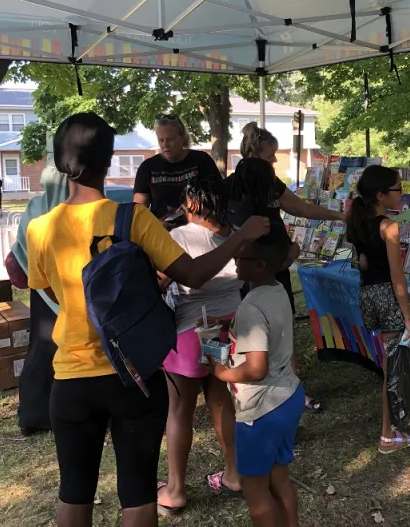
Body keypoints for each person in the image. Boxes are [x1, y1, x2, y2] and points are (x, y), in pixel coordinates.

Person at [26, 112, 269, 527]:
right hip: (134, 376)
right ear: (108, 159)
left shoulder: (38, 229)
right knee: (138, 494)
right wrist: (240, 236)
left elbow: (54, 294)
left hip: (70, 379)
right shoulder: (134, 220)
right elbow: (192, 274)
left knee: (74, 493)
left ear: (59, 161)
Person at [231, 121, 345, 413]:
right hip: (268, 269)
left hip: (259, 269)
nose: (274, 162)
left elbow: (300, 209)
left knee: (258, 330)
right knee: (277, 329)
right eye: (271, 157)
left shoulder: (236, 183)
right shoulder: (259, 184)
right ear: (257, 154)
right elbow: (302, 209)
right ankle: (286, 390)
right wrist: (339, 217)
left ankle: (277, 387)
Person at [157, 174, 243, 514]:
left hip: (190, 333)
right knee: (222, 402)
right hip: (230, 330)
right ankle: (234, 474)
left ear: (192, 203)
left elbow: (161, 283)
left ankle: (176, 490)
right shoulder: (236, 237)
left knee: (180, 410)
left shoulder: (177, 236)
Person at [209, 223, 304, 527]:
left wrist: (222, 372)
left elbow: (255, 368)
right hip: (288, 396)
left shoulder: (251, 307)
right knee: (279, 478)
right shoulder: (276, 291)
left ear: (259, 265)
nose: (235, 259)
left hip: (261, 410)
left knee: (255, 490)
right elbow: (268, 329)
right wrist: (229, 324)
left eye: (241, 257)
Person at [346, 165, 410, 454]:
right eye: (398, 189)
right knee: (392, 368)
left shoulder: (359, 221)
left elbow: (362, 263)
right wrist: (409, 319)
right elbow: (398, 278)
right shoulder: (389, 227)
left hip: (368, 295)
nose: (402, 194)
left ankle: (408, 415)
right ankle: (388, 433)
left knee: (394, 361)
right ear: (381, 195)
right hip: (388, 297)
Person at [8, 164, 69, 436]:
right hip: (71, 289)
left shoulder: (34, 206)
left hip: (41, 288)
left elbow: (20, 247)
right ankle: (63, 413)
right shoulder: (76, 209)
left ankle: (33, 415)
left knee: (42, 347)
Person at [134, 114, 221, 222]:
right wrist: (155, 226)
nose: (165, 145)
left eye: (170, 139)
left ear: (182, 137)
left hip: (198, 229)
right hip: (162, 232)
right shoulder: (147, 167)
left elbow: (218, 197)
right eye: (161, 140)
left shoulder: (202, 160)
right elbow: (139, 209)